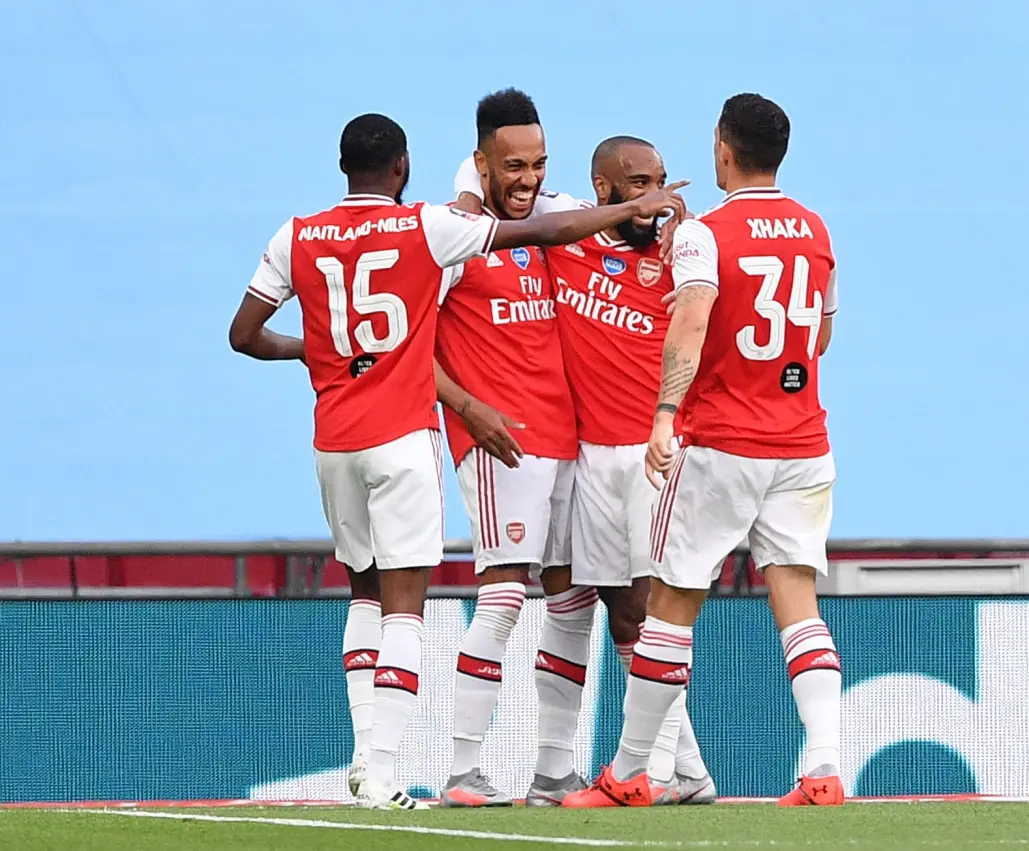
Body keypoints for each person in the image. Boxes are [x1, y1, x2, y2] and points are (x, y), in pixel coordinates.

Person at [227, 112, 688, 811]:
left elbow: (247, 332)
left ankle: (551, 770)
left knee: (567, 601)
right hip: (491, 439)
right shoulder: (443, 230)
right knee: (494, 594)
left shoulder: (541, 215)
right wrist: (471, 408)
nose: (529, 178)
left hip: (558, 439)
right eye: (513, 166)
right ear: (468, 164)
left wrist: (651, 212)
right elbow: (419, 334)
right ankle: (460, 768)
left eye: (538, 163)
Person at [562, 93, 843, 809]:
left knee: (669, 604)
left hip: (721, 442)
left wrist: (663, 413)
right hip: (803, 441)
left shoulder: (704, 234)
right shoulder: (815, 228)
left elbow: (689, 323)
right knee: (798, 603)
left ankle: (631, 772)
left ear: (722, 146)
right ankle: (823, 766)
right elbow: (819, 337)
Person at [452, 135, 715, 805]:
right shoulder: (566, 232)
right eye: (638, 184)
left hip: (657, 453)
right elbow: (489, 175)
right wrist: (467, 194)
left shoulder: (682, 248)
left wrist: (681, 223)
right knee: (594, 608)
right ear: (602, 188)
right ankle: (576, 770)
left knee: (648, 608)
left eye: (660, 182)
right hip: (590, 455)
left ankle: (669, 767)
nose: (655, 198)